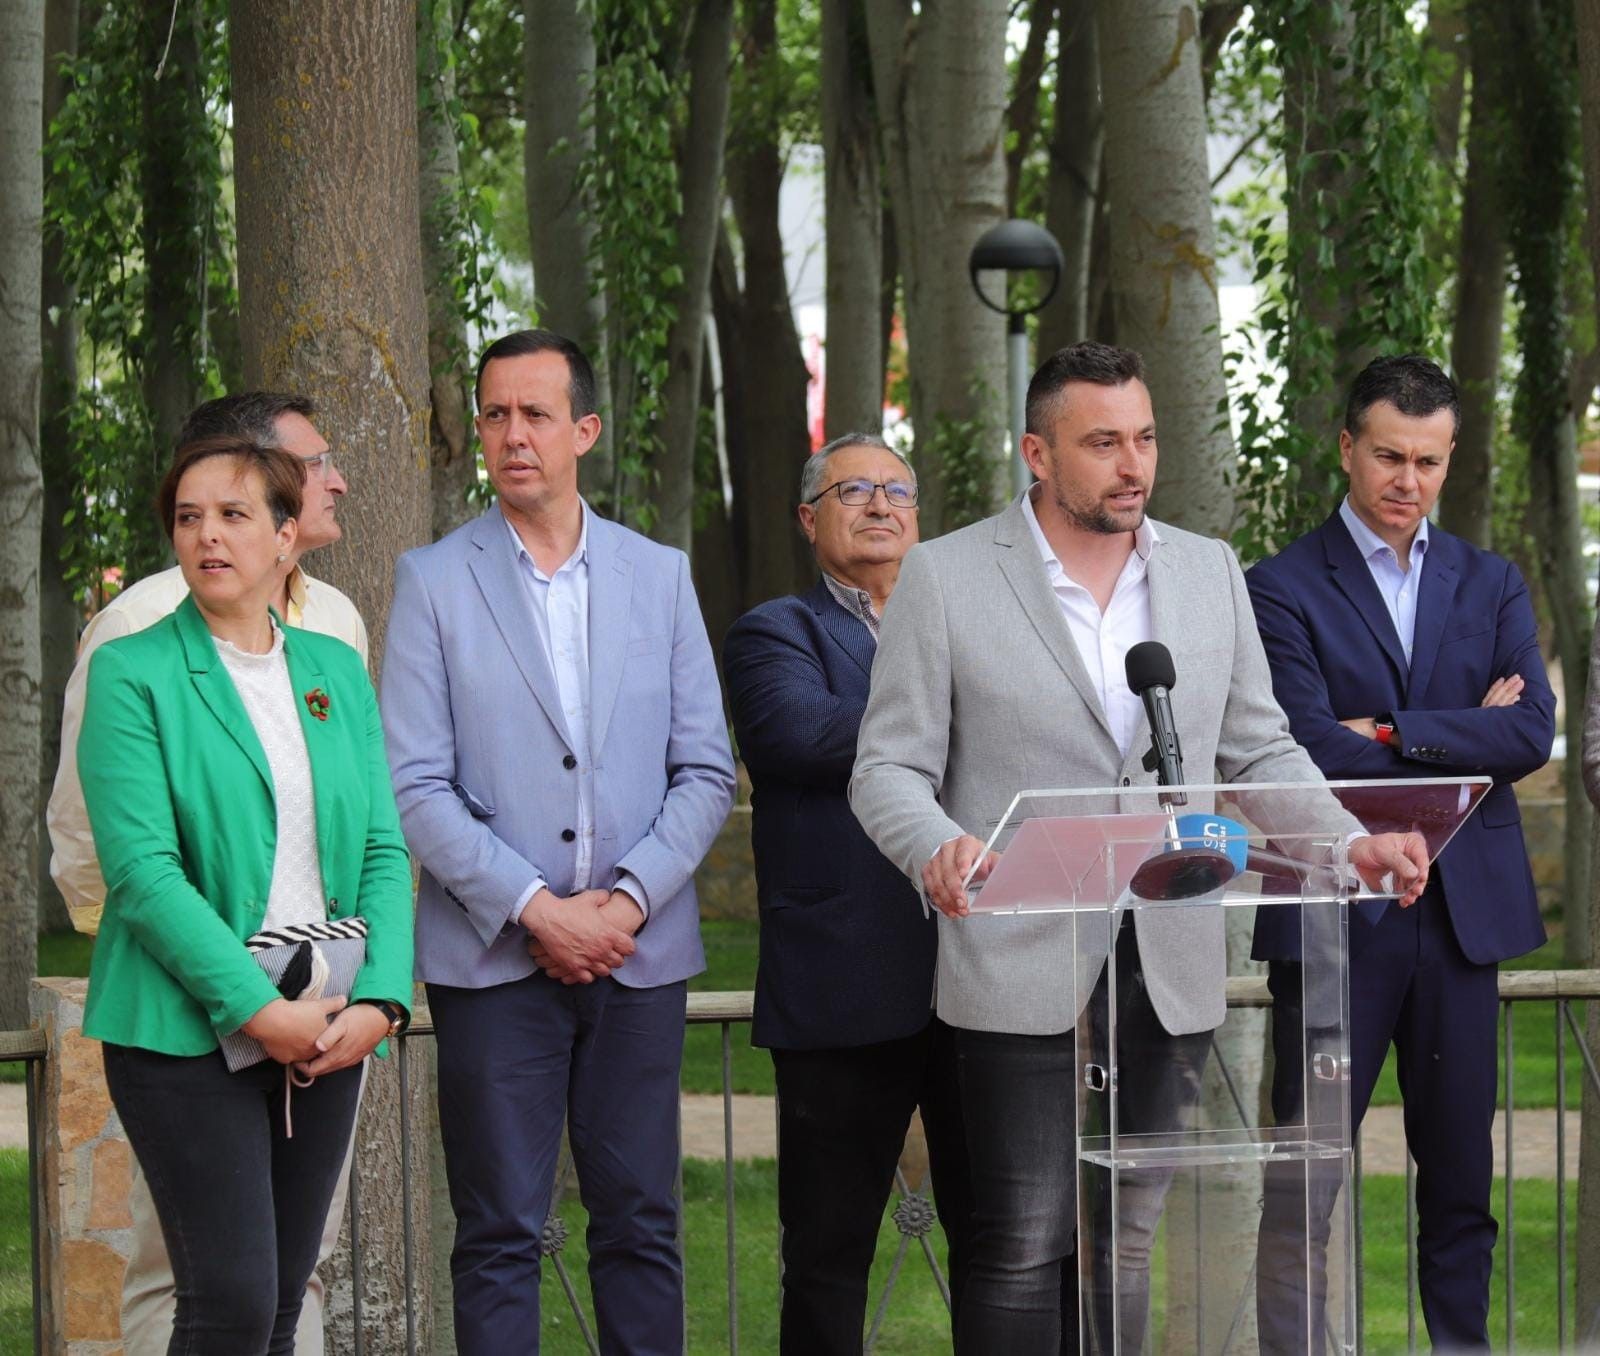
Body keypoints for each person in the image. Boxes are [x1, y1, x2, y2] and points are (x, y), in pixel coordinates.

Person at [847, 341, 1429, 1354]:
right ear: (1037, 452)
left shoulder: (1207, 571)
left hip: (1167, 958)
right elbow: (886, 767)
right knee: (1024, 1241)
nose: (1133, 465)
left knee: (1124, 1237)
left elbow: (1256, 748)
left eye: (1146, 439)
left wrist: (1349, 845)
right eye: (1103, 442)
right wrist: (936, 846)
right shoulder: (946, 576)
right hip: (1018, 957)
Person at [381, 328, 736, 1354]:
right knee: (498, 1232)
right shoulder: (433, 580)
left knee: (641, 1225)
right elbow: (414, 783)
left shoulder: (659, 576)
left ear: (584, 429)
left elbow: (705, 770)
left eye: (535, 414)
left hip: (638, 958)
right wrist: (537, 910)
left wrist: (625, 904)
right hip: (493, 961)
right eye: (494, 415)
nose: (512, 435)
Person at [77, 435, 414, 1355]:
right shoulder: (132, 671)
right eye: (189, 518)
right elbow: (144, 876)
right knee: (228, 1304)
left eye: (233, 515)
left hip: (328, 1022)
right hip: (185, 1030)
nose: (207, 536)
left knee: (279, 1305)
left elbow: (382, 848)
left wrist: (383, 1000)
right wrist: (263, 1015)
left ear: (286, 535)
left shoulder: (334, 669)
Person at [1246, 354, 1554, 1352]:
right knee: (1303, 1186)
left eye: (1428, 461)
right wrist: (1463, 728)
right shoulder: (1278, 588)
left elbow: (1529, 734)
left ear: (1450, 459)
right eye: (1388, 456)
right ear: (1347, 448)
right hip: (1333, 915)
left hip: (1461, 922)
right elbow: (1299, 745)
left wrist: (1388, 730)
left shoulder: (1490, 581)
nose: (1407, 481)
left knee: (1461, 1185)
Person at [723, 433, 973, 1354]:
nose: (878, 506)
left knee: (1003, 1246)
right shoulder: (774, 633)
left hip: (979, 978)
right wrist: (964, 716)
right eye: (853, 491)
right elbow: (800, 733)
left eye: (897, 491)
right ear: (808, 518)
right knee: (828, 1260)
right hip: (842, 985)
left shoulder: (965, 623)